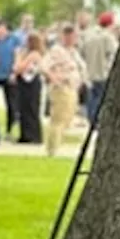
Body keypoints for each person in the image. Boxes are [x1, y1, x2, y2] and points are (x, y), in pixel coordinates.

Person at [42, 24, 88, 157]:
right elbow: (44, 66)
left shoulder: (73, 52)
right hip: (62, 87)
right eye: (73, 36)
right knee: (58, 119)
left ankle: (57, 144)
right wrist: (54, 78)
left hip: (73, 87)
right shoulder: (57, 51)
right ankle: (52, 149)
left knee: (67, 118)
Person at [82, 12, 119, 127]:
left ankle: (91, 120)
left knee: (92, 98)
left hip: (90, 72)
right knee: (101, 99)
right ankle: (97, 121)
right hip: (104, 73)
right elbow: (114, 54)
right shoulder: (108, 37)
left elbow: (82, 53)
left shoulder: (89, 36)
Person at [12, 32, 46, 146]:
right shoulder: (27, 54)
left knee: (31, 108)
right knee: (23, 109)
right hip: (24, 83)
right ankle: (25, 134)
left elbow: (18, 68)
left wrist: (17, 56)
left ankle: (33, 135)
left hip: (31, 84)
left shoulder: (34, 54)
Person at [0, 19, 22, 137]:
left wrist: (14, 72)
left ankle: (10, 130)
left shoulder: (13, 40)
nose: (1, 32)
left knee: (11, 104)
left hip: (9, 75)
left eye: (3, 30)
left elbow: (18, 55)